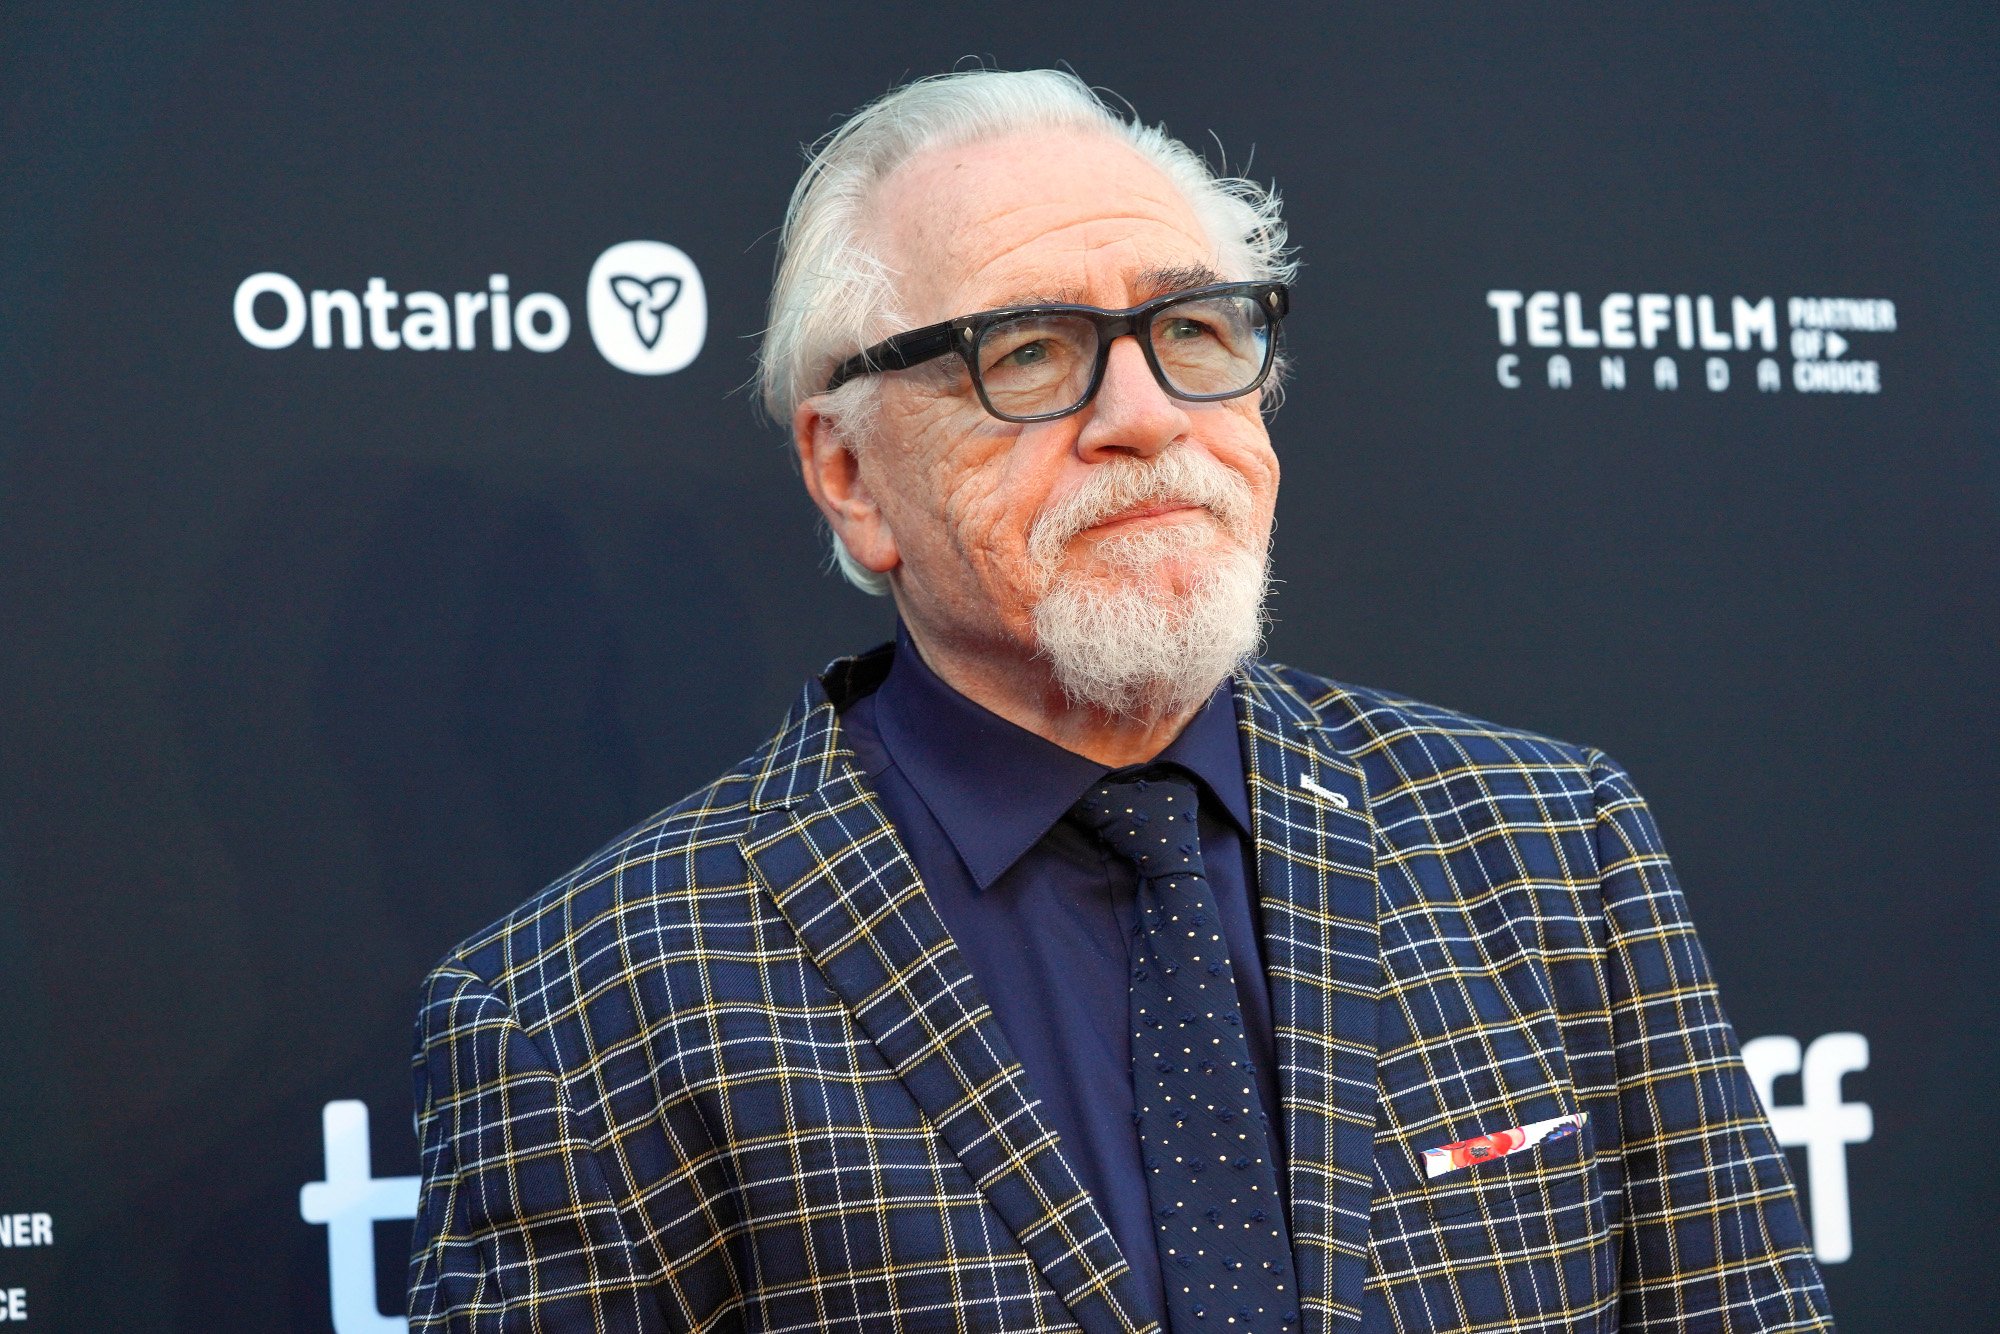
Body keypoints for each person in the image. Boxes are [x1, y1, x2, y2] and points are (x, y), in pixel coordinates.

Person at [408, 69, 1832, 1333]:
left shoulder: (1553, 845)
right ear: (849, 475)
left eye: (1197, 331)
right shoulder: (579, 1013)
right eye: (1027, 353)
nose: (1145, 414)